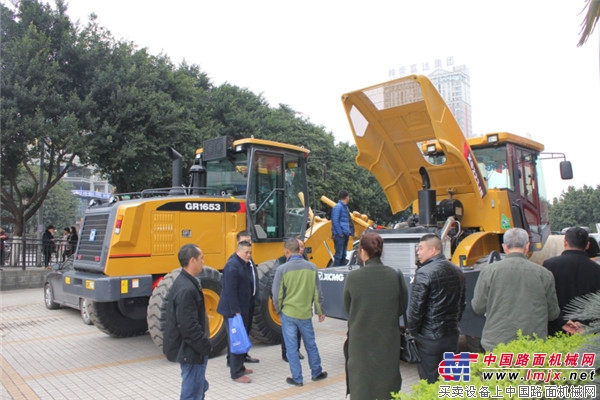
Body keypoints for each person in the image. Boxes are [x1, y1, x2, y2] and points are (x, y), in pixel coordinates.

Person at [472, 227, 560, 351]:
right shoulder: (544, 274)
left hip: (496, 344)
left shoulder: (489, 271)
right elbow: (553, 313)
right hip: (533, 344)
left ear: (504, 247)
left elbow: (478, 307)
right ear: (527, 246)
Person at [343, 232, 408, 400]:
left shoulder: (353, 277)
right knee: (388, 381)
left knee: (361, 382)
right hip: (388, 339)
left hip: (360, 342)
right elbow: (402, 307)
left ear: (363, 251)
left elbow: (348, 307)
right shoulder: (395, 275)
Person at [406, 233, 465, 384]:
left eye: (420, 248)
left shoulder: (424, 273)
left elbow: (415, 310)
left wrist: (413, 333)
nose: (418, 252)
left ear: (433, 250)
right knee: (450, 379)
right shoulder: (457, 270)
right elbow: (461, 303)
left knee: (430, 382)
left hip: (429, 338)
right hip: (451, 335)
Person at [272, 238, 328, 387]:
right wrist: (321, 310)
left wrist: (278, 309)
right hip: (305, 314)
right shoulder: (312, 267)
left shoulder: (282, 269)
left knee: (291, 347)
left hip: (288, 314)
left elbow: (276, 293)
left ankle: (297, 378)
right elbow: (317, 293)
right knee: (311, 344)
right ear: (300, 249)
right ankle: (316, 372)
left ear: (287, 251)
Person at [163, 244, 211, 400]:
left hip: (191, 351)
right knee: (192, 394)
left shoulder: (186, 282)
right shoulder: (186, 289)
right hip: (191, 353)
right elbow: (188, 326)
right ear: (192, 260)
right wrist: (205, 346)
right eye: (201, 258)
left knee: (199, 388)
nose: (203, 261)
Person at [543, 227, 600, 335]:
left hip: (556, 330)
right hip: (588, 331)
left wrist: (562, 321)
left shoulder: (549, 265)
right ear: (587, 245)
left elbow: (544, 299)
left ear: (565, 242)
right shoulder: (596, 270)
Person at [217, 240, 257, 383]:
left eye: (250, 252)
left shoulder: (244, 264)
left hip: (243, 308)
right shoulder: (232, 266)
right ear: (238, 251)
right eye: (246, 252)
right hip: (233, 311)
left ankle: (241, 366)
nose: (249, 255)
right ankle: (236, 373)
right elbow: (230, 290)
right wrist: (236, 311)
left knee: (242, 337)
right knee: (236, 340)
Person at [273, 239, 305, 362]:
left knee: (298, 330)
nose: (301, 249)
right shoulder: (281, 262)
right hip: (288, 302)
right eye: (299, 246)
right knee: (288, 331)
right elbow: (275, 282)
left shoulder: (304, 262)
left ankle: (296, 350)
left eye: (302, 246)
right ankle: (286, 353)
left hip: (301, 303)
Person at [233, 231, 259, 365]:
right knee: (238, 333)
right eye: (244, 241)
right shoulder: (234, 263)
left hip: (250, 301)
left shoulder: (249, 260)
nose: (248, 244)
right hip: (240, 305)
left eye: (249, 241)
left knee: (246, 330)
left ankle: (244, 355)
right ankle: (234, 361)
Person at [331, 189, 354, 266]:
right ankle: (337, 271)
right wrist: (340, 233)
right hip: (340, 235)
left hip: (344, 234)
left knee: (343, 255)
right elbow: (335, 221)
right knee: (339, 255)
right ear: (347, 197)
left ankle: (341, 269)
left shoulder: (344, 207)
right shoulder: (338, 207)